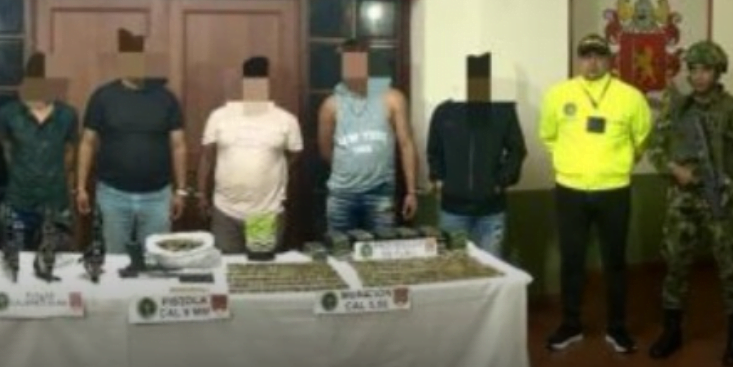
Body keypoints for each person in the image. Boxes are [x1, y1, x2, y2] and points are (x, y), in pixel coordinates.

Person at [645, 40, 733, 366]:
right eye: (693, 69)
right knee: (676, 265)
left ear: (718, 72)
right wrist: (674, 169)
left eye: (706, 69)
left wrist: (729, 186)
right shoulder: (677, 109)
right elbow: (655, 148)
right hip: (682, 200)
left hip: (721, 199)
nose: (698, 76)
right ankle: (672, 331)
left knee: (730, 268)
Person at [538, 33, 654, 353]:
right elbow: (548, 136)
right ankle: (570, 325)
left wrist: (617, 163)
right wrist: (571, 164)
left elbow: (641, 139)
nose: (592, 62)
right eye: (586, 56)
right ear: (578, 60)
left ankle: (617, 328)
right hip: (570, 190)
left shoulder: (630, 97)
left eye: (599, 56)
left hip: (614, 189)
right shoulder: (558, 95)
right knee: (572, 260)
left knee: (614, 262)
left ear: (609, 60)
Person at [75, 28, 188, 254]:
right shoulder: (103, 96)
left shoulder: (166, 98)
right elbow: (87, 142)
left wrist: (182, 190)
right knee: (114, 259)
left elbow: (179, 146)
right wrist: (80, 187)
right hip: (112, 196)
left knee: (157, 259)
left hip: (157, 197)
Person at [197, 55, 303, 256]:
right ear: (243, 83)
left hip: (265, 213)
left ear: (269, 83)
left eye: (261, 80)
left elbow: (296, 154)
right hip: (226, 211)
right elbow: (207, 157)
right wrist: (202, 194)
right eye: (252, 80)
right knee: (227, 268)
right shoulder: (219, 116)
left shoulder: (285, 119)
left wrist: (274, 172)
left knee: (260, 268)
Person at [426, 52, 527, 257]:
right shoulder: (444, 111)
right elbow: (434, 150)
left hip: (491, 212)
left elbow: (517, 150)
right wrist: (438, 179)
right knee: (453, 266)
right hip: (453, 211)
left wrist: (501, 182)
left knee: (491, 267)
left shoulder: (503, 111)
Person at [317, 40, 419, 235]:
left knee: (381, 251)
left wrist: (411, 192)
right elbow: (325, 150)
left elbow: (406, 145)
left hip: (380, 193)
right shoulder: (330, 105)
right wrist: (352, 166)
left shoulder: (392, 98)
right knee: (340, 250)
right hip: (342, 195)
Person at [0, 51, 78, 248]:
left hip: (55, 203)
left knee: (55, 262)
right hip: (18, 201)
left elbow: (69, 155)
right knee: (14, 261)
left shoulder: (67, 115)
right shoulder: (8, 114)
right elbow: (7, 152)